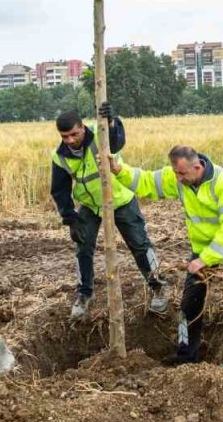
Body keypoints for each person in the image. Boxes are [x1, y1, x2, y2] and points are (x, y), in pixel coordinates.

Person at [112, 145, 223, 364]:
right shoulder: (178, 178)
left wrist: (205, 260)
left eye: (182, 173)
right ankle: (186, 357)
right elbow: (146, 182)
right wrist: (118, 170)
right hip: (201, 246)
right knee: (189, 304)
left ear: (198, 166)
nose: (178, 178)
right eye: (175, 173)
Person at [51, 103, 168, 319]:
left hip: (120, 199)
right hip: (91, 206)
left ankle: (158, 286)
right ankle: (85, 294)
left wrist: (112, 122)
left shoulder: (100, 135)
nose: (69, 140)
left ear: (83, 128)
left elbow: (117, 142)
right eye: (64, 136)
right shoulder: (59, 156)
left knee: (140, 244)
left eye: (73, 134)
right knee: (82, 248)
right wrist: (70, 219)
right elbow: (59, 190)